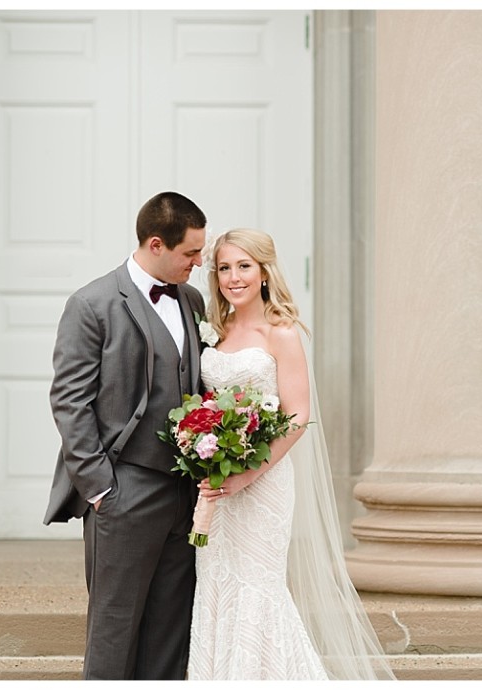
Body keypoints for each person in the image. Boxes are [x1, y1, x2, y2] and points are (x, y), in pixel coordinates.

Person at [188, 228, 395, 680]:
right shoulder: (214, 329)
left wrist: (248, 474)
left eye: (244, 266)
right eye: (224, 268)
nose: (233, 277)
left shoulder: (280, 331)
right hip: (219, 487)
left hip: (263, 484)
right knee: (217, 583)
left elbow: (297, 416)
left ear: (264, 272)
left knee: (257, 587)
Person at [43, 191, 208, 680]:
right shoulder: (91, 304)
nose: (199, 263)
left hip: (185, 491)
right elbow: (70, 401)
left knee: (171, 629)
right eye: (190, 254)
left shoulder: (192, 300)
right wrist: (100, 488)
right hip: (124, 487)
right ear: (156, 244)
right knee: (115, 627)